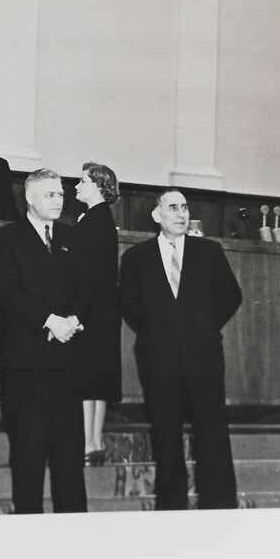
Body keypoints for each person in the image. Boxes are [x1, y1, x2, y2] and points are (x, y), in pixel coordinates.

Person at [119, 189, 243, 510]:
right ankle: (171, 508)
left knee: (212, 433)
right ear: (157, 215)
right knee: (166, 433)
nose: (181, 214)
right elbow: (129, 305)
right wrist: (157, 331)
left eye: (185, 208)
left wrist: (202, 327)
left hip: (204, 356)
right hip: (157, 359)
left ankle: (219, 507)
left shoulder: (209, 251)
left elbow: (232, 296)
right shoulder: (136, 257)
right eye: (172, 208)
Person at [0, 169, 86, 514]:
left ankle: (74, 537)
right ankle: (28, 533)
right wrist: (49, 321)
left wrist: (73, 320)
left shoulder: (72, 237)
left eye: (60, 195)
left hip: (67, 360)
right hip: (25, 362)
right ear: (30, 198)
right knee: (28, 453)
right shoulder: (5, 239)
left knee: (70, 455)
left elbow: (85, 289)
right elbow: (7, 294)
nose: (58, 201)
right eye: (50, 195)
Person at [73, 162, 122, 466]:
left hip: (90, 308)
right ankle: (93, 441)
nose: (77, 186)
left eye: (82, 181)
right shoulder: (100, 218)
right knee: (96, 378)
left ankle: (88, 441)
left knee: (86, 376)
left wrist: (76, 313)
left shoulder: (93, 220)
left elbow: (85, 272)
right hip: (102, 308)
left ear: (98, 186)